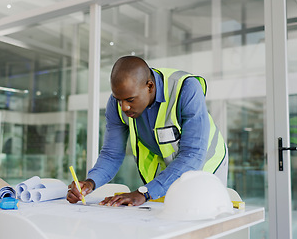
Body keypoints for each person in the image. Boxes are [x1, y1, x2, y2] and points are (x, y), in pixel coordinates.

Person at [67, 56, 227, 207]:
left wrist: (144, 192)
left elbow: (193, 154)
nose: (124, 107)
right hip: (170, 170)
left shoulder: (187, 88)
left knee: (197, 216)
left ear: (149, 86)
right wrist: (90, 182)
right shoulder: (118, 102)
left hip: (205, 163)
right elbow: (111, 154)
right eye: (119, 100)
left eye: (130, 100)